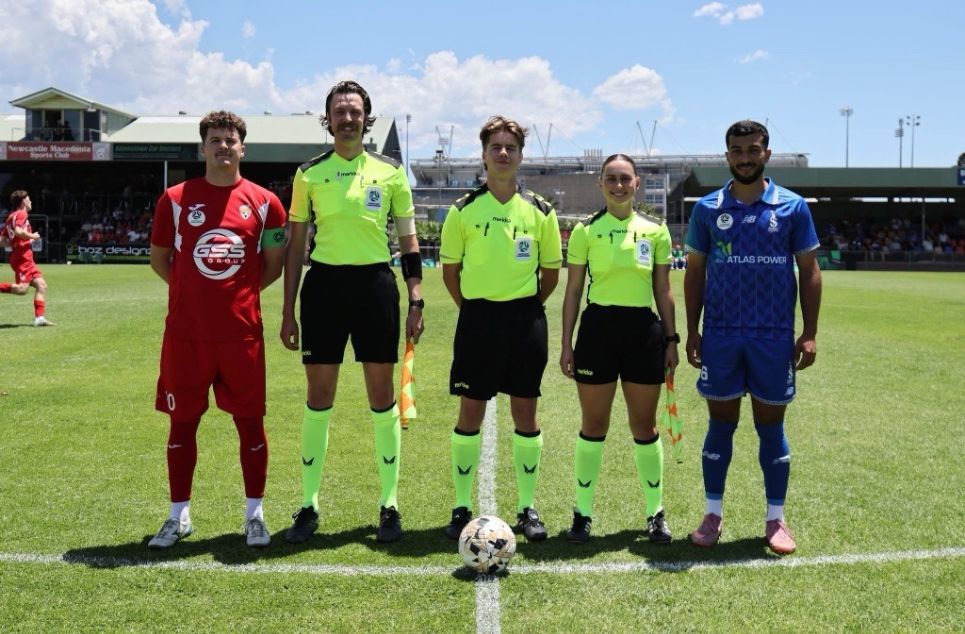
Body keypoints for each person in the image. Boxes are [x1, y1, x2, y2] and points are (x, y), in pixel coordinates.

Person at [280, 80, 423, 544]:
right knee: (318, 398)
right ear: (328, 119)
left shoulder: (391, 172)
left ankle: (389, 505)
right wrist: (287, 310)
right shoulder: (308, 174)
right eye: (339, 111)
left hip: (376, 288)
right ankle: (308, 505)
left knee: (381, 397)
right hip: (322, 289)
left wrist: (416, 296)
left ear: (367, 118)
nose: (347, 118)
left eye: (355, 111)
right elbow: (297, 243)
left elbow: (408, 241)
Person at [147, 111, 287, 549]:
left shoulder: (267, 204)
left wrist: (235, 292)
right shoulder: (174, 198)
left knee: (251, 425)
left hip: (241, 334)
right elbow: (159, 259)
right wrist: (192, 292)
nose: (224, 146)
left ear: (243, 148)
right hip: (186, 335)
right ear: (202, 148)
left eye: (231, 139)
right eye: (215, 139)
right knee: (181, 425)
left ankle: (255, 515)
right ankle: (178, 515)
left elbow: (273, 266)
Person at [684, 120, 821, 555]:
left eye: (753, 149)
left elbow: (810, 272)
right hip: (722, 335)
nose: (745, 157)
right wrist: (693, 330)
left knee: (770, 427)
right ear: (727, 155)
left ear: (767, 153)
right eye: (737, 150)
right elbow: (695, 273)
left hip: (773, 336)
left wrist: (810, 332)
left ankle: (776, 520)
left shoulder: (793, 207)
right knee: (720, 424)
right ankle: (712, 514)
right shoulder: (707, 208)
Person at [439, 115, 562, 542]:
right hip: (478, 320)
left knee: (525, 412)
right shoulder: (463, 211)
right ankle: (460, 507)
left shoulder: (541, 212)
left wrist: (522, 308)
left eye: (511, 147)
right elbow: (450, 273)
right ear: (484, 155)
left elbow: (550, 275)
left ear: (521, 156)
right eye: (496, 147)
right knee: (469, 411)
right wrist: (475, 309)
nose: (504, 153)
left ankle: (527, 508)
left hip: (526, 321)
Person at [559, 154, 679, 544]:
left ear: (637, 183)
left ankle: (655, 514)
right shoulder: (585, 231)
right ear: (600, 184)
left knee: (644, 426)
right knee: (594, 425)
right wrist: (566, 342)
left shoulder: (655, 231)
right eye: (611, 178)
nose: (618, 185)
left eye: (625, 178)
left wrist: (672, 340)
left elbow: (663, 290)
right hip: (597, 332)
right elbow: (574, 290)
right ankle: (582, 514)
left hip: (644, 332)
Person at [1, 190, 55, 326]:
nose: (30, 202)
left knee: (41, 285)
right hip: (22, 256)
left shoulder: (10, 217)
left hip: (23, 256)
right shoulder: (21, 213)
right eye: (29, 199)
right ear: (24, 201)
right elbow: (19, 232)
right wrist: (32, 236)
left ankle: (39, 318)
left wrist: (12, 243)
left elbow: (2, 240)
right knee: (22, 290)